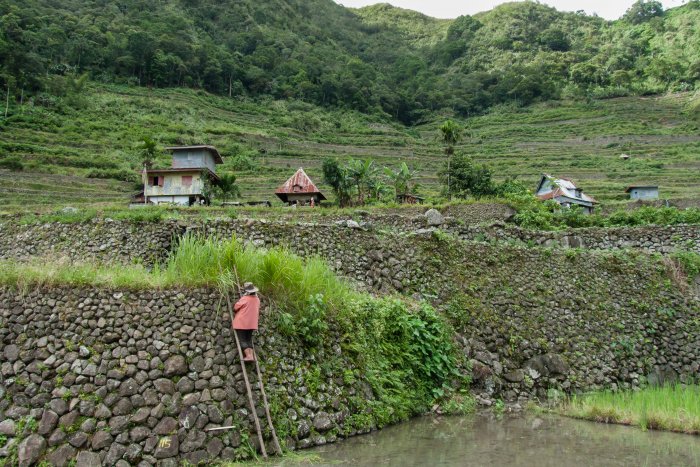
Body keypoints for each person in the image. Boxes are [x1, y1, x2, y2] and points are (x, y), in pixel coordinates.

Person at [232, 282, 260, 362]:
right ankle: (251, 355)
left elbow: (235, 308)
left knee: (243, 340)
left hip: (242, 323)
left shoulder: (245, 298)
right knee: (248, 339)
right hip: (252, 324)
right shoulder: (257, 300)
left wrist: (242, 298)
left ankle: (249, 356)